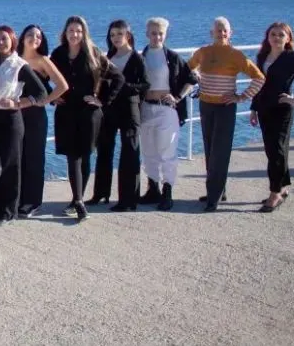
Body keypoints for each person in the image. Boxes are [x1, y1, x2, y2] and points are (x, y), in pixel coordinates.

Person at [49, 16, 124, 222]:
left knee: (84, 155)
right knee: (73, 156)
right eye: (71, 30)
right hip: (66, 112)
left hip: (89, 113)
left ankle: (77, 200)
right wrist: (52, 98)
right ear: (65, 32)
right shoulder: (58, 54)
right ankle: (79, 201)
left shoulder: (93, 53)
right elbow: (41, 77)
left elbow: (118, 77)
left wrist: (102, 100)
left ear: (84, 33)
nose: (75, 34)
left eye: (79, 31)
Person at [187, 17, 265, 213]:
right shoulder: (203, 52)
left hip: (225, 109)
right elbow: (187, 69)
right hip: (206, 105)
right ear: (211, 32)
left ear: (230, 33)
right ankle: (217, 191)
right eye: (218, 30)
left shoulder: (236, 55)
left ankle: (212, 198)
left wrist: (241, 97)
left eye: (225, 31)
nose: (221, 33)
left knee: (220, 153)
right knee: (209, 149)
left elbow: (259, 78)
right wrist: (196, 78)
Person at [0, 26, 47, 225]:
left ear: (12, 40)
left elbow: (41, 93)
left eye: (4, 38)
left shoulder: (19, 65)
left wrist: (19, 103)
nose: (0, 42)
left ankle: (6, 212)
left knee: (9, 166)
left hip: (10, 119)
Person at [250, 22, 294, 212]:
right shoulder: (262, 56)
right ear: (268, 37)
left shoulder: (291, 58)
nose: (277, 38)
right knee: (273, 151)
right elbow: (258, 84)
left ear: (288, 38)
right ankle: (283, 187)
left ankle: (275, 193)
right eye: (273, 34)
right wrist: (253, 109)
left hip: (282, 110)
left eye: (281, 35)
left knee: (276, 151)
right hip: (264, 109)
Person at [138, 18, 197, 211]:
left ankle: (167, 191)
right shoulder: (141, 56)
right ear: (147, 34)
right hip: (146, 107)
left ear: (165, 34)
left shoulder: (172, 57)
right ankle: (152, 188)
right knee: (148, 151)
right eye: (153, 33)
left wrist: (178, 96)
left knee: (167, 152)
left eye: (160, 33)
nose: (156, 37)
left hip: (166, 109)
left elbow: (191, 79)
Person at [90, 20, 148, 210]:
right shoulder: (109, 57)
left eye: (119, 34)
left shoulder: (136, 58)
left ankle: (128, 199)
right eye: (112, 34)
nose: (115, 38)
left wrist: (125, 88)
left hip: (130, 109)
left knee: (130, 152)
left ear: (128, 35)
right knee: (104, 150)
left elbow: (145, 85)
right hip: (109, 109)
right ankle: (101, 193)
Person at [16, 25, 68, 217]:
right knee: (17, 157)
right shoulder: (14, 58)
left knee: (34, 158)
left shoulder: (42, 60)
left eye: (38, 36)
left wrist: (44, 101)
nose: (34, 38)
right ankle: (17, 198)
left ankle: (32, 202)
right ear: (22, 38)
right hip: (15, 114)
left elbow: (62, 85)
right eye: (30, 34)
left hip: (35, 116)